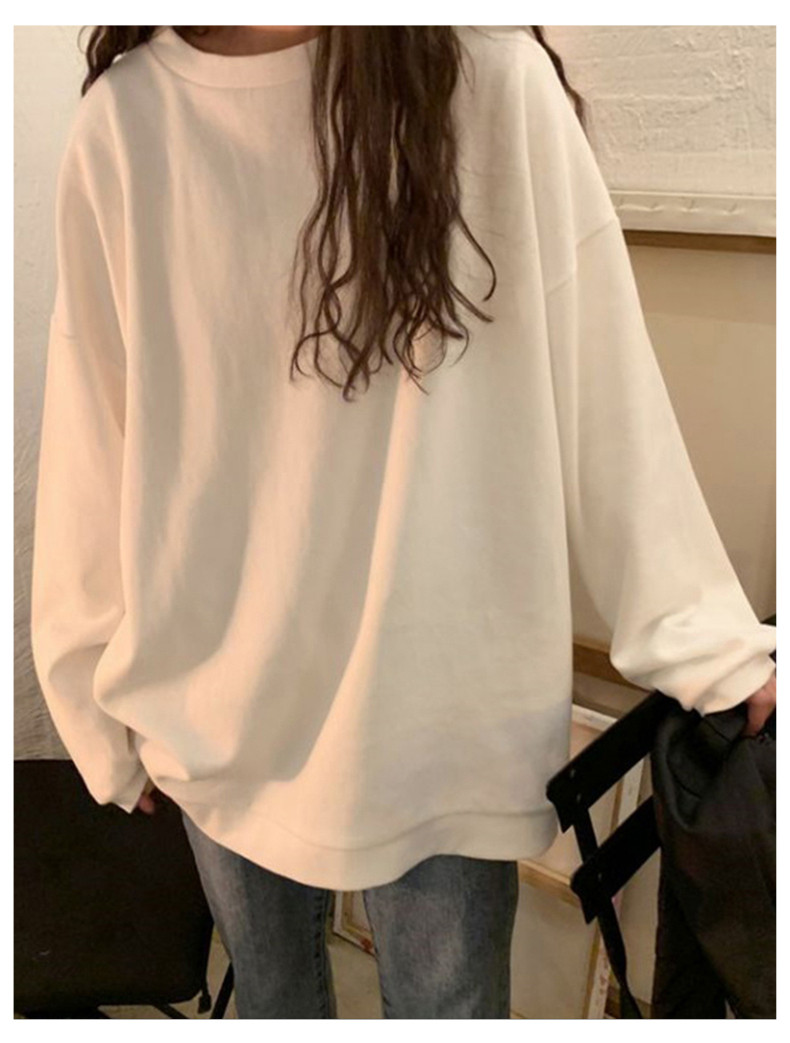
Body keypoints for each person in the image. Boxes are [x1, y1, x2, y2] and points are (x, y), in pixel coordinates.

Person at [30, 25, 776, 1018]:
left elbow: (609, 392)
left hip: (436, 729)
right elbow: (95, 426)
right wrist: (92, 698)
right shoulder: (126, 123)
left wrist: (709, 643)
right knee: (275, 1011)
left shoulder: (489, 84)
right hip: (210, 720)